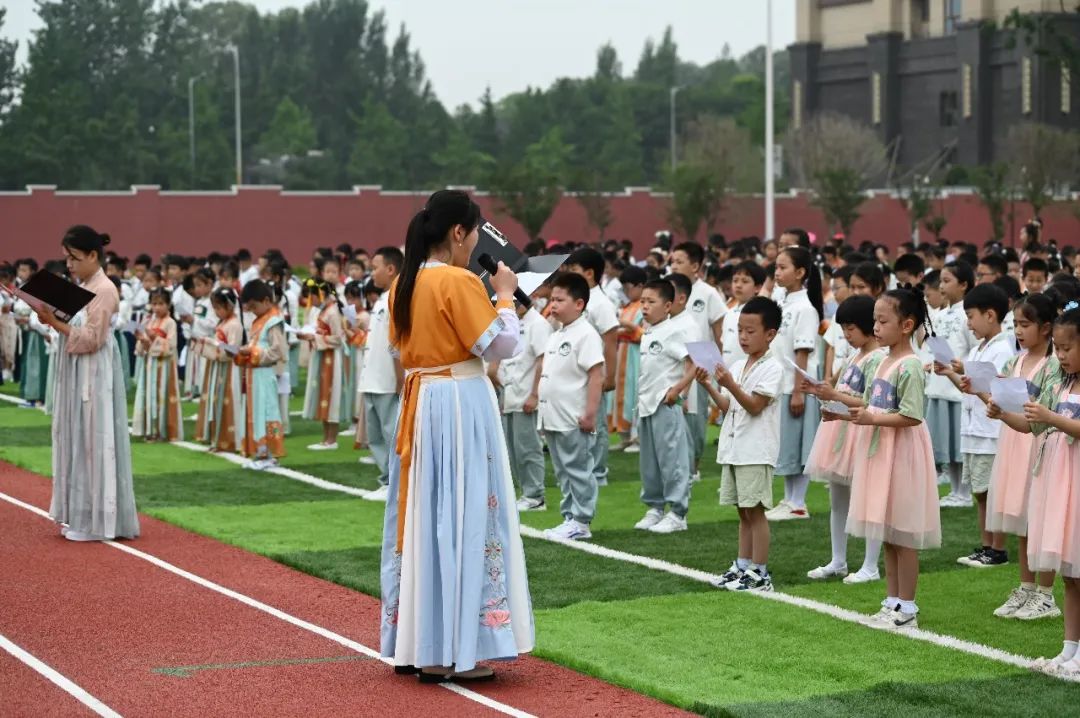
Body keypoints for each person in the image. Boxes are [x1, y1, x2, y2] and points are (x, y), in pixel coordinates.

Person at [379, 189, 533, 683]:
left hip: (422, 399)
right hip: (459, 399)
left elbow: (400, 351)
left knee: (425, 515)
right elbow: (501, 344)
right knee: (464, 514)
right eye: (475, 232)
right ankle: (456, 646)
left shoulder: (402, 283)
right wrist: (506, 297)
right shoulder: (458, 281)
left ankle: (420, 642)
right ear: (458, 232)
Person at [31, 225, 139, 542]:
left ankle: (97, 521)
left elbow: (92, 339)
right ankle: (81, 513)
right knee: (80, 438)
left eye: (74, 258)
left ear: (93, 255)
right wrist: (52, 318)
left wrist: (55, 323)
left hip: (95, 371)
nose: (69, 265)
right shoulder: (84, 285)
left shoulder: (104, 289)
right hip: (79, 369)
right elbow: (74, 326)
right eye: (66, 258)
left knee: (95, 438)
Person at [845, 287, 942, 631]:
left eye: (883, 321)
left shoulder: (911, 365)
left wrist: (871, 419)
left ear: (906, 325)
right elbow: (871, 403)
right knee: (887, 531)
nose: (876, 327)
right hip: (881, 450)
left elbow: (912, 416)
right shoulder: (881, 360)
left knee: (903, 533)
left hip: (902, 453)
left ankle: (908, 607)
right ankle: (891, 601)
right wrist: (842, 413)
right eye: (875, 320)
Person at [985, 294, 1060, 619]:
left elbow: (1044, 416)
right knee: (1020, 516)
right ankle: (1026, 588)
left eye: (1025, 324)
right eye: (1015, 324)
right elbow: (999, 395)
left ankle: (1045, 593)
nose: (1018, 330)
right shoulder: (1015, 361)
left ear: (1046, 328)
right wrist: (993, 405)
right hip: (1014, 443)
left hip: (1039, 445)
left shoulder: (1054, 365)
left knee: (1039, 517)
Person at [701, 297, 784, 592]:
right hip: (735, 447)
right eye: (740, 331)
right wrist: (710, 384)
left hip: (756, 448)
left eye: (751, 331)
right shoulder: (738, 364)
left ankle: (760, 573)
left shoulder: (773, 368)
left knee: (756, 511)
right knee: (742, 510)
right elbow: (728, 406)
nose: (743, 337)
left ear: (770, 334)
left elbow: (754, 406)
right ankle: (742, 565)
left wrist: (729, 383)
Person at [803, 295, 884, 584]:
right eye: (844, 329)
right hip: (841, 429)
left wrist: (833, 397)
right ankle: (838, 560)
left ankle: (870, 565)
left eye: (850, 328)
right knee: (838, 499)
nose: (846, 335)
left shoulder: (878, 357)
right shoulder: (857, 354)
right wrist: (828, 400)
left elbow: (869, 400)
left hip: (862, 430)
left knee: (869, 499)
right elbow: (844, 390)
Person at [935, 284, 1015, 568]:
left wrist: (964, 373)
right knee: (981, 492)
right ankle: (986, 545)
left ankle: (998, 548)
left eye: (971, 317)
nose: (968, 324)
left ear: (990, 315)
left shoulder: (1002, 349)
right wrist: (948, 372)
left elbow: (998, 395)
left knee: (992, 492)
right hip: (974, 428)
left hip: (990, 431)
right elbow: (969, 388)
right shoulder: (982, 348)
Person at [1024, 305, 1080, 674]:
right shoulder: (1062, 382)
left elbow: (1059, 423)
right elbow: (1037, 426)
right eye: (1057, 348)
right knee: (1071, 574)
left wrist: (1051, 418)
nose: (1059, 355)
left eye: (1066, 348)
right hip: (1061, 481)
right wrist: (1002, 410)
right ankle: (1069, 649)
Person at [536, 273, 605, 541]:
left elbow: (596, 375)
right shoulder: (557, 333)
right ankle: (570, 517)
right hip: (553, 415)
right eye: (552, 299)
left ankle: (582, 519)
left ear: (578, 303)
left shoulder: (586, 334)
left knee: (578, 468)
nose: (553, 305)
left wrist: (590, 413)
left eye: (559, 300)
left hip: (573, 416)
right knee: (564, 470)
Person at [632, 279, 696, 534]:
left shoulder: (675, 331)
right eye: (642, 301)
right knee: (650, 461)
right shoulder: (649, 331)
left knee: (672, 459)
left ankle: (678, 512)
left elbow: (695, 364)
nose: (645, 306)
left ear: (668, 305)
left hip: (664, 403)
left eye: (651, 302)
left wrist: (678, 390)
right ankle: (655, 507)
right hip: (646, 403)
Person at [767, 246, 824, 521]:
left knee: (800, 446)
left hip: (796, 387)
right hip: (781, 385)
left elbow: (802, 352)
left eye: (783, 267)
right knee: (787, 446)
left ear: (800, 273)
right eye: (776, 267)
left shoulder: (805, 308)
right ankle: (789, 499)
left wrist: (799, 391)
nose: (777, 272)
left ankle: (798, 502)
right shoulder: (782, 302)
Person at [670, 242, 727, 483]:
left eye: (679, 261)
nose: (673, 265)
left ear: (695, 266)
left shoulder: (708, 293)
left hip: (700, 360)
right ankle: (675, 464)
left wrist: (720, 369)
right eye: (672, 261)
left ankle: (693, 467)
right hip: (673, 360)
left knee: (694, 414)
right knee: (674, 414)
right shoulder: (667, 290)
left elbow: (719, 334)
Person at [492, 295, 552, 512]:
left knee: (528, 448)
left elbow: (542, 360)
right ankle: (525, 493)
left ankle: (535, 496)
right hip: (509, 395)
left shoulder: (538, 324)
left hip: (526, 395)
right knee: (512, 450)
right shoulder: (511, 323)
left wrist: (534, 394)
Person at [564, 248, 618, 487]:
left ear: (589, 273)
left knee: (596, 422)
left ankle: (598, 472)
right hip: (576, 372)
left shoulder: (600, 303)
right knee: (578, 419)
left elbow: (611, 340)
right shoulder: (579, 298)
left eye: (574, 270)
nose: (569, 274)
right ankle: (581, 468)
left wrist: (610, 375)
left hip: (595, 371)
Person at [358, 247, 404, 502]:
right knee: (375, 435)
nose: (371, 272)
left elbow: (397, 342)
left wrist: (400, 378)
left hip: (387, 380)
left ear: (390, 269)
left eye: (375, 267)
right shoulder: (381, 298)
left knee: (390, 433)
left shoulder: (396, 298)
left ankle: (395, 483)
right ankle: (386, 480)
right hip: (373, 377)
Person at [931, 261, 977, 506]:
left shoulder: (967, 314)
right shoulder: (939, 314)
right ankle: (955, 489)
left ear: (964, 285)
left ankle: (965, 492)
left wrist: (959, 367)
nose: (942, 286)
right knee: (947, 442)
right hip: (940, 384)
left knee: (960, 442)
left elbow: (973, 348)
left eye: (947, 280)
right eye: (941, 280)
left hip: (959, 386)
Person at [236, 280, 287, 470]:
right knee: (256, 413)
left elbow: (278, 351)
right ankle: (260, 451)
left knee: (266, 411)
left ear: (266, 301)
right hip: (254, 375)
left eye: (254, 306)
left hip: (265, 375)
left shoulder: (274, 321)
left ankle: (269, 453)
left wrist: (253, 352)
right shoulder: (259, 321)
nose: (253, 311)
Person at [193, 287, 244, 453]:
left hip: (229, 368)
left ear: (229, 306)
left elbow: (233, 350)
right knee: (215, 402)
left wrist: (214, 346)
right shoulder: (222, 323)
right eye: (214, 308)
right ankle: (216, 438)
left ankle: (229, 440)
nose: (216, 312)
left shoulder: (235, 325)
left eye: (219, 308)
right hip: (217, 366)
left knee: (227, 401)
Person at [300, 278, 347, 450]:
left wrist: (316, 337)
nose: (310, 300)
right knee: (323, 396)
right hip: (322, 356)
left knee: (331, 396)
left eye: (312, 296)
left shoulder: (333, 312)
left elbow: (338, 338)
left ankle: (331, 439)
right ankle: (326, 437)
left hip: (332, 358)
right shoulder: (324, 310)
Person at [131, 288, 183, 442]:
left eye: (161, 304)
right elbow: (142, 349)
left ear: (168, 305)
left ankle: (162, 430)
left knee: (161, 396)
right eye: (154, 304)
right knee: (149, 395)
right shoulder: (148, 321)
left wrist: (155, 338)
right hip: (150, 364)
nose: (157, 307)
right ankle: (150, 429)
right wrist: (142, 339)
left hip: (164, 366)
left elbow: (171, 345)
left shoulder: (171, 323)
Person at [614, 265, 646, 451]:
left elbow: (646, 333)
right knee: (622, 396)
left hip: (636, 354)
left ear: (640, 286)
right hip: (623, 353)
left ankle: (639, 437)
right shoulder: (627, 307)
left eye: (628, 287)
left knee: (635, 395)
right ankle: (625, 436)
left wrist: (629, 327)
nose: (627, 292)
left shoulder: (644, 306)